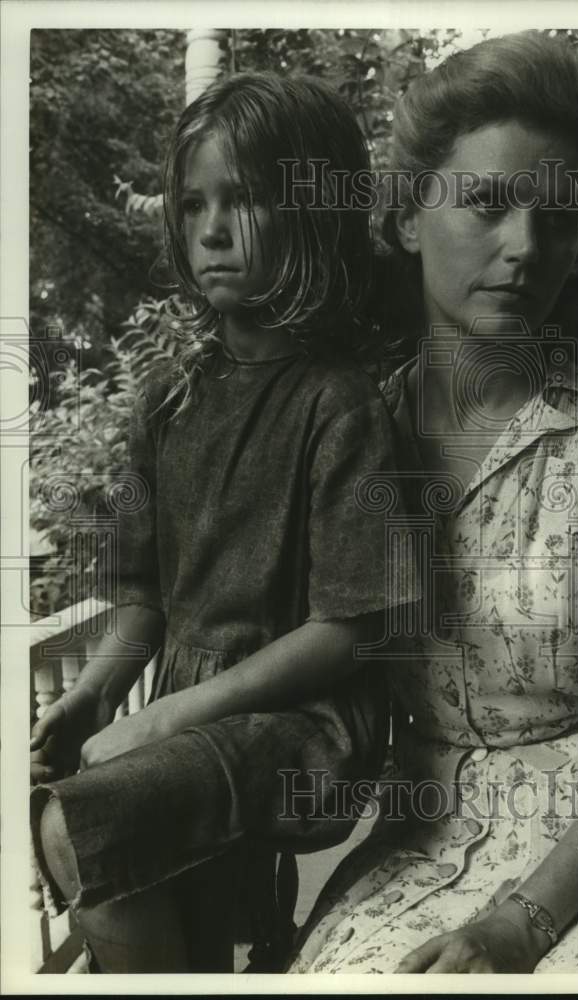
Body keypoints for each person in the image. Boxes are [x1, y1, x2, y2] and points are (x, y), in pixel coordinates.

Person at [289, 32, 578, 974]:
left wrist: (517, 926)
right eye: (488, 203)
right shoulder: (349, 444)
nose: (527, 247)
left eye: (559, 217)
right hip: (415, 847)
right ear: (408, 217)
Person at [29, 71, 413, 973]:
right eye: (193, 203)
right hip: (193, 708)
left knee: (85, 826)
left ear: (311, 215)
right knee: (124, 849)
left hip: (308, 722)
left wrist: (161, 721)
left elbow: (350, 631)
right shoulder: (167, 401)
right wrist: (95, 695)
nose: (210, 230)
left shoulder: (341, 404)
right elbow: (144, 601)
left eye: (243, 200)